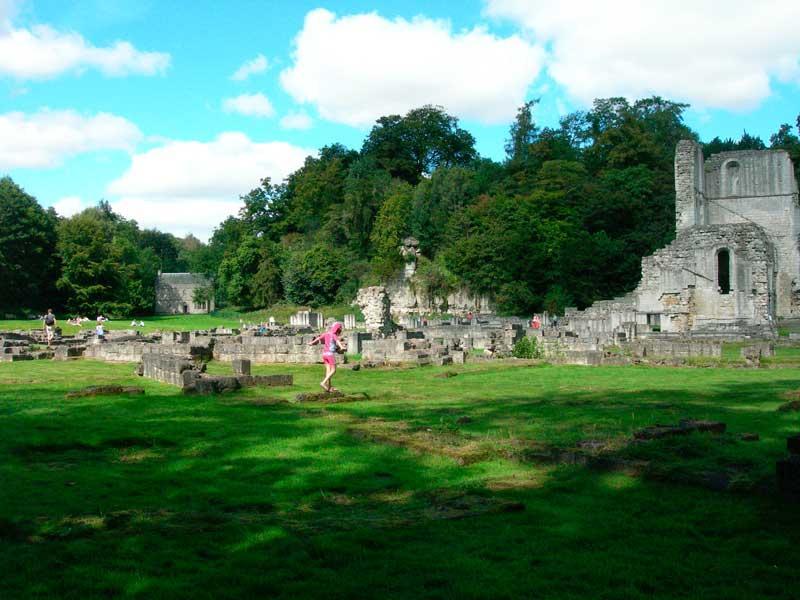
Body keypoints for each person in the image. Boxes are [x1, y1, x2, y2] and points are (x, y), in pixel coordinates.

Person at [308, 322, 344, 392]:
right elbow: (338, 341)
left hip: (324, 354)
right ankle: (323, 382)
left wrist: (311, 343)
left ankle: (329, 387)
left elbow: (318, 338)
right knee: (333, 370)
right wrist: (342, 347)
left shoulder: (326, 333)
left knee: (328, 371)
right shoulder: (333, 335)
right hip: (330, 354)